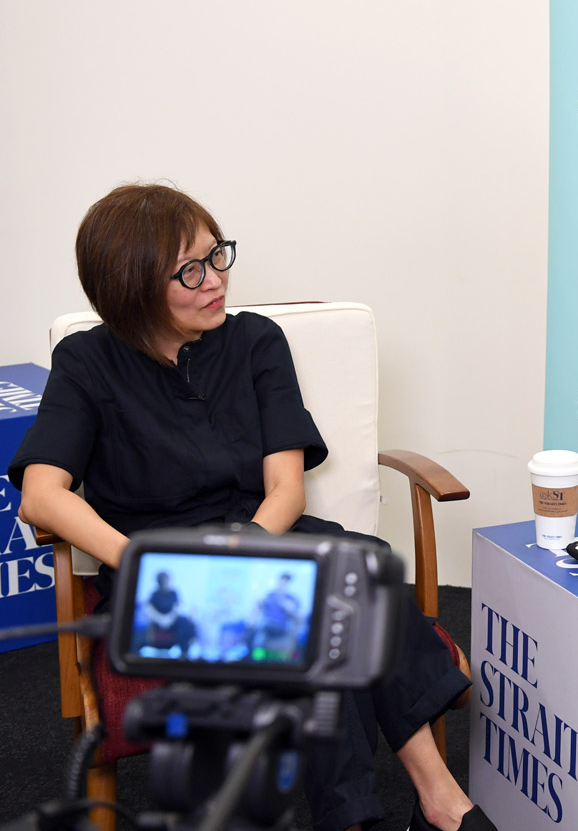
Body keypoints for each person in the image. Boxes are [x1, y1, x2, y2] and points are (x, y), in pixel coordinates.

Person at [10, 183, 495, 831]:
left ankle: (405, 806)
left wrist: (241, 555)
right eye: (190, 270)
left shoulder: (256, 342)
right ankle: (434, 802)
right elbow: (41, 495)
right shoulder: (86, 362)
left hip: (263, 533)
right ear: (131, 285)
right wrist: (154, 564)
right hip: (165, 574)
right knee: (335, 609)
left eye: (218, 256)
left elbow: (286, 488)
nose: (216, 280)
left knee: (356, 569)